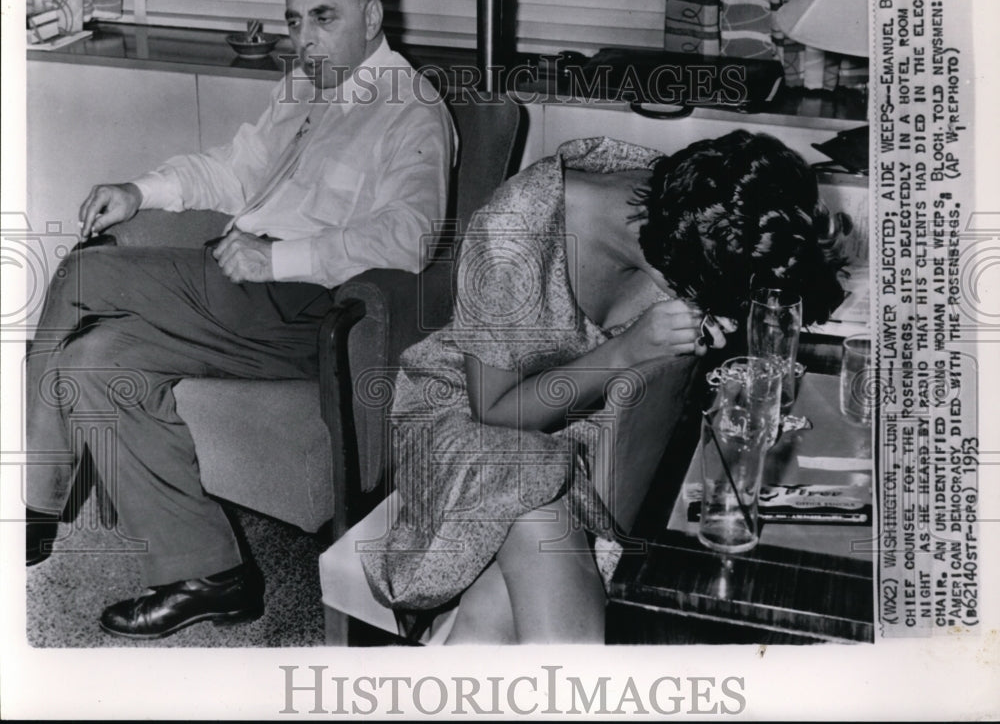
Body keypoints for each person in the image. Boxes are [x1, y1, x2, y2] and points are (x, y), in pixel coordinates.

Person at [24, 0, 454, 639]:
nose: (305, 39)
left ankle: (31, 503)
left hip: (311, 308)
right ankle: (212, 575)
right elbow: (232, 170)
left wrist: (280, 257)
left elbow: (409, 237)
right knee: (94, 361)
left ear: (372, 15)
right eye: (294, 21)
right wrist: (142, 190)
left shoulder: (413, 111)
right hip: (236, 292)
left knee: (86, 273)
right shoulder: (305, 87)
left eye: (323, 17)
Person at [321, 130, 844, 644]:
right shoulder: (517, 232)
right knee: (537, 508)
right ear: (671, 273)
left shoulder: (694, 210)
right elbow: (494, 417)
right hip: (474, 430)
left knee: (494, 615)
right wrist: (626, 351)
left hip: (599, 431)